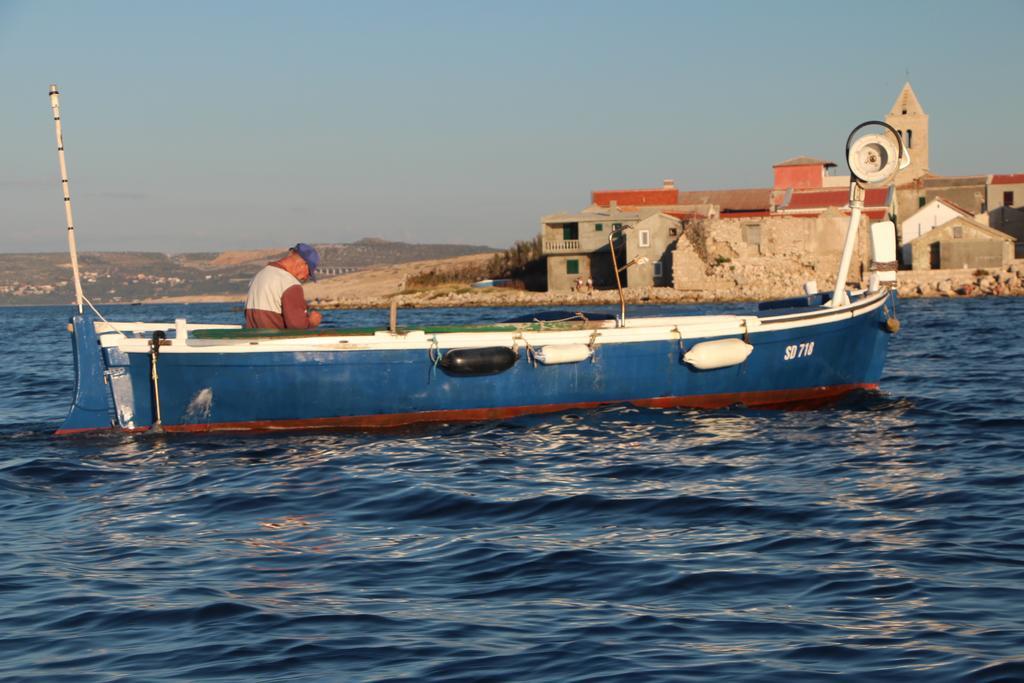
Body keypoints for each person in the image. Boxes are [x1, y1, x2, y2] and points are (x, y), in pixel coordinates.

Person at [244, 243, 323, 329]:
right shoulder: (290, 284)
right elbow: (297, 326)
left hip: (255, 338)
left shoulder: (260, 275)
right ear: (302, 264)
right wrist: (311, 322)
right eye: (309, 273)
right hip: (274, 339)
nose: (306, 278)